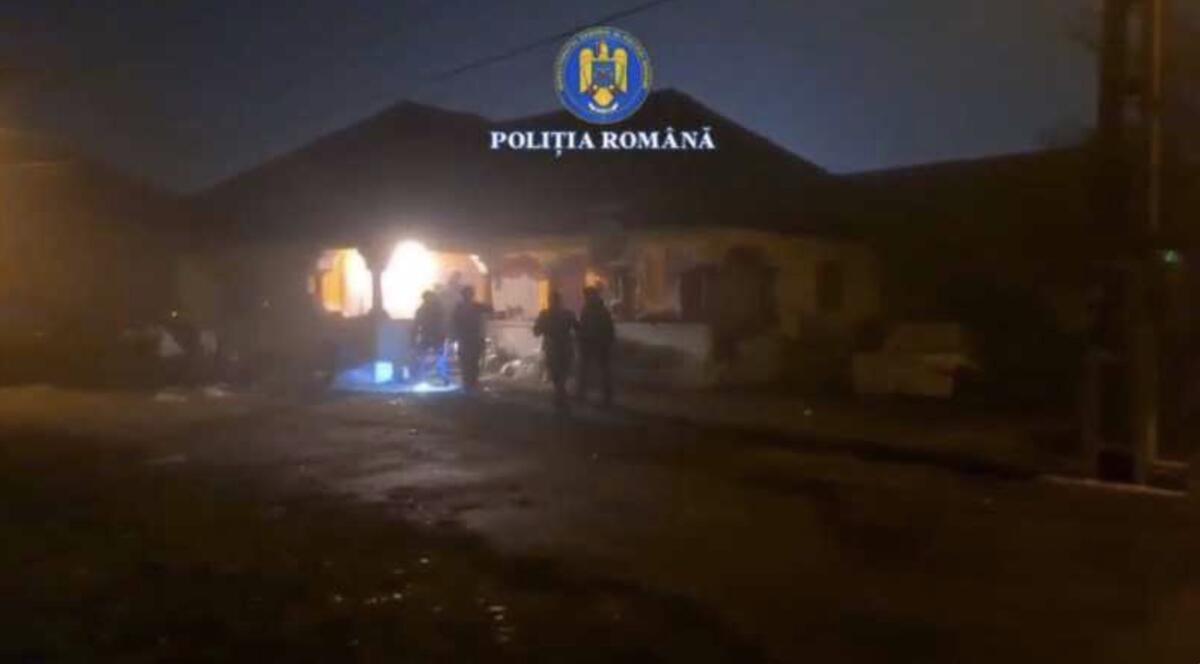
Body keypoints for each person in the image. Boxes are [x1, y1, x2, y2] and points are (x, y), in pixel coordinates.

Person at [533, 290, 578, 413]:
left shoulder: (545, 314)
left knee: (556, 373)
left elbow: (536, 332)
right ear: (560, 301)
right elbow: (578, 328)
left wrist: (544, 328)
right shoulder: (568, 314)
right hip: (565, 347)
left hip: (552, 348)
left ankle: (560, 396)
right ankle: (561, 396)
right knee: (562, 373)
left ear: (550, 301)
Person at [576, 286, 615, 406]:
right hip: (591, 343)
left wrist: (607, 342)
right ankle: (583, 393)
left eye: (587, 296)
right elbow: (583, 327)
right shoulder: (590, 309)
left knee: (600, 370)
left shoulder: (598, 310)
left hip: (598, 344)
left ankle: (605, 396)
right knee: (587, 369)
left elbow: (608, 328)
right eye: (586, 296)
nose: (586, 298)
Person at [452, 285, 489, 391]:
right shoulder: (475, 306)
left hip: (465, 338)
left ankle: (468, 383)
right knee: (473, 361)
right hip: (473, 338)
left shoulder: (459, 307)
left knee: (467, 362)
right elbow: (489, 309)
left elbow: (454, 323)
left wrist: (454, 336)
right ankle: (472, 382)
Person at [412, 290, 448, 384]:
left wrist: (414, 337)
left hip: (431, 335)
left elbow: (416, 324)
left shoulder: (424, 310)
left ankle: (423, 377)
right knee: (436, 357)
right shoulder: (437, 309)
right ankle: (438, 376)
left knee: (429, 356)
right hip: (432, 335)